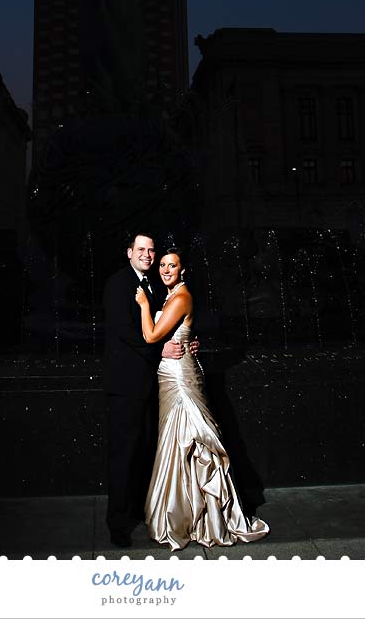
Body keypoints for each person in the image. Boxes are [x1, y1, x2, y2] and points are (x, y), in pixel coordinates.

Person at [136, 247, 270, 551]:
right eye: (162, 266)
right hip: (172, 374)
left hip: (181, 378)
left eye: (172, 266)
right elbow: (180, 332)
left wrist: (144, 306)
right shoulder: (172, 296)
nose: (166, 270)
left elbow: (152, 336)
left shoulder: (181, 297)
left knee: (193, 441)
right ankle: (188, 514)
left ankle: (206, 518)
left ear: (183, 270)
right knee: (178, 442)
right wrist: (190, 339)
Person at [102, 233, 199, 548]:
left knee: (146, 452)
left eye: (151, 250)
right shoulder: (118, 283)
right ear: (129, 251)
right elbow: (125, 332)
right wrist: (161, 353)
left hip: (155, 384)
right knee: (123, 455)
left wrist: (187, 342)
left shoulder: (157, 286)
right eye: (140, 249)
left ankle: (143, 513)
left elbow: (167, 328)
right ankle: (118, 524)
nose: (147, 254)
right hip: (126, 385)